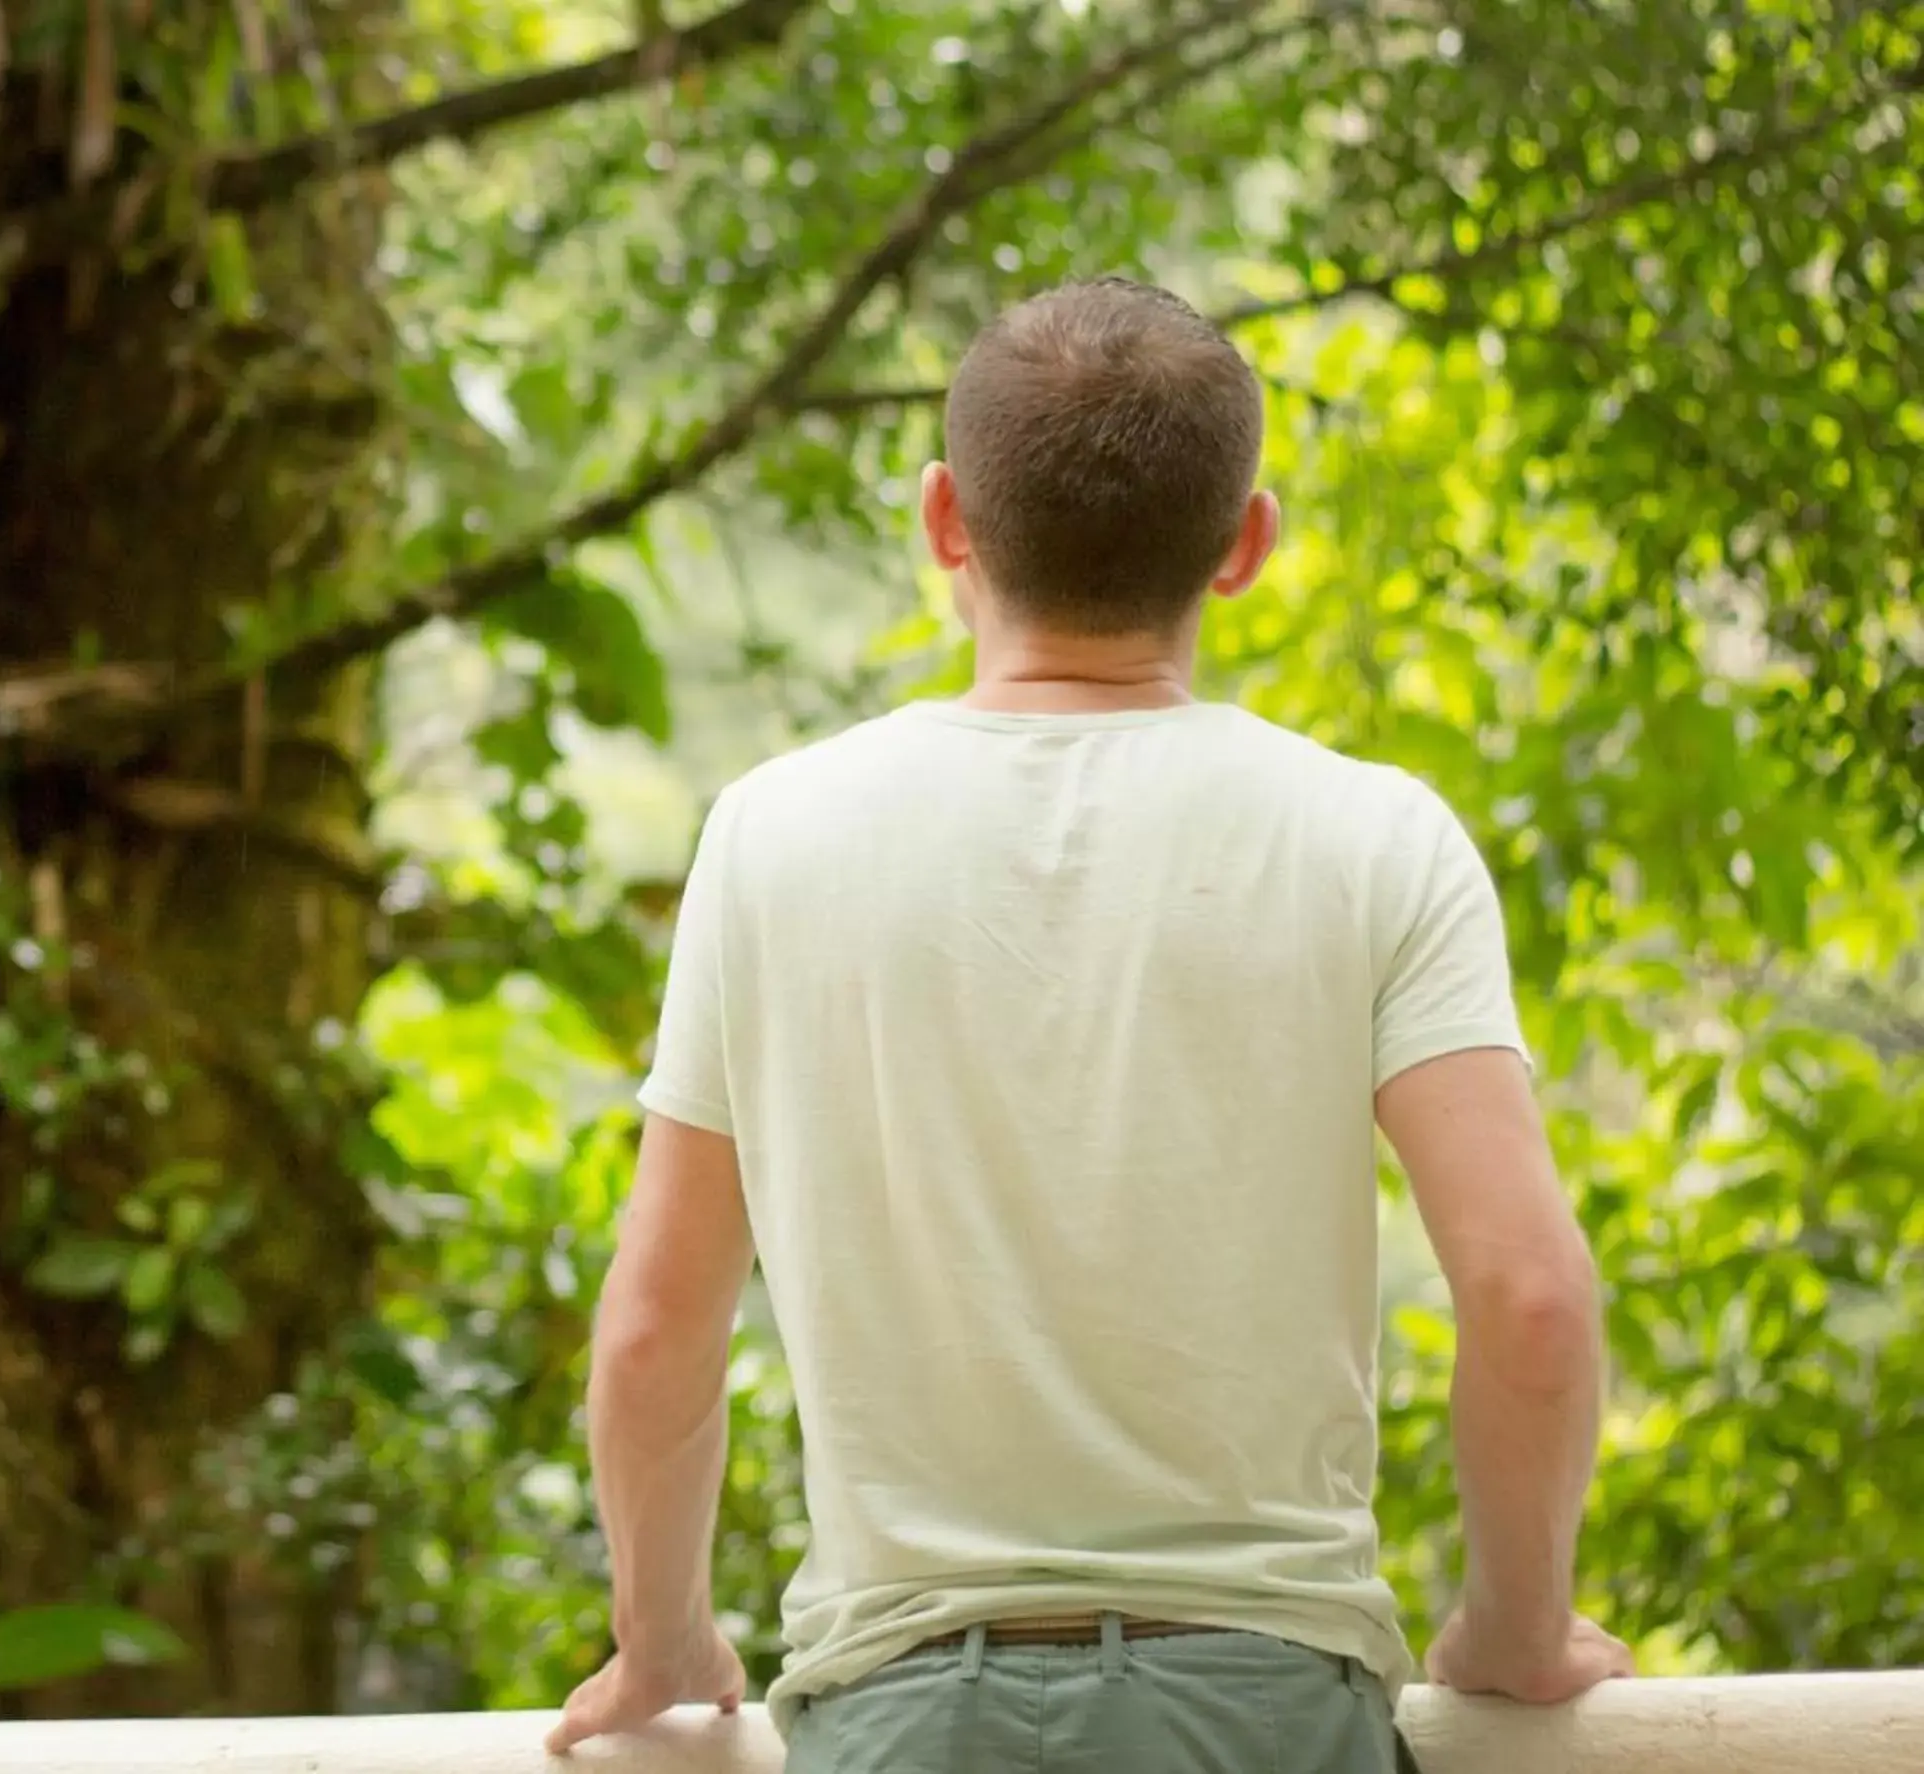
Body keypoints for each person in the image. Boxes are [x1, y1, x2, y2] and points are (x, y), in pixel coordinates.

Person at [545, 277, 1632, 1771]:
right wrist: (1515, 1625)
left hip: (900, 1717)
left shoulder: (771, 837)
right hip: (1271, 1713)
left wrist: (661, 1633)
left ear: (944, 520)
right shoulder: (1375, 835)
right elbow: (1532, 1300)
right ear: (1246, 542)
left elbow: (660, 1325)